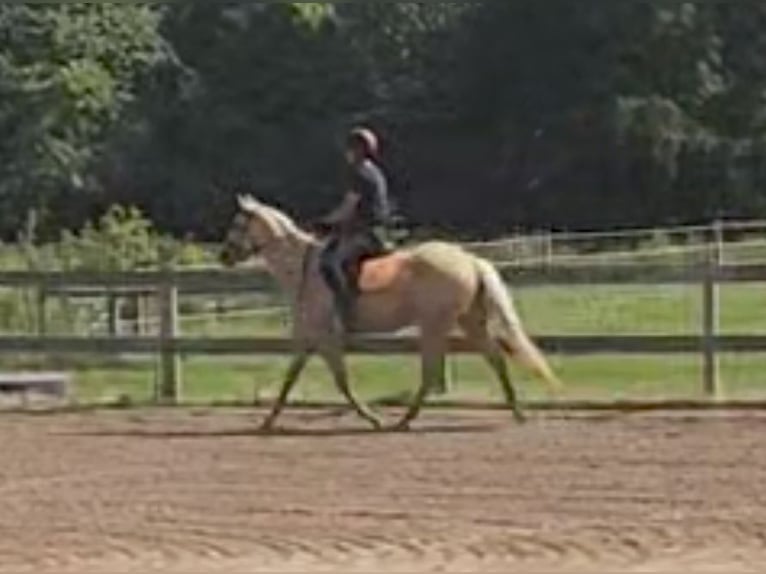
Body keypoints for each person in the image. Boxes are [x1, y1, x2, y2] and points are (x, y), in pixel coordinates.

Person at [318, 127, 392, 331]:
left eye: (349, 149)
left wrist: (325, 222)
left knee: (329, 262)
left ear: (358, 150)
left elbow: (348, 207)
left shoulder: (359, 173)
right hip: (373, 229)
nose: (347, 154)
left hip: (367, 233)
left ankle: (348, 313)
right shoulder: (372, 170)